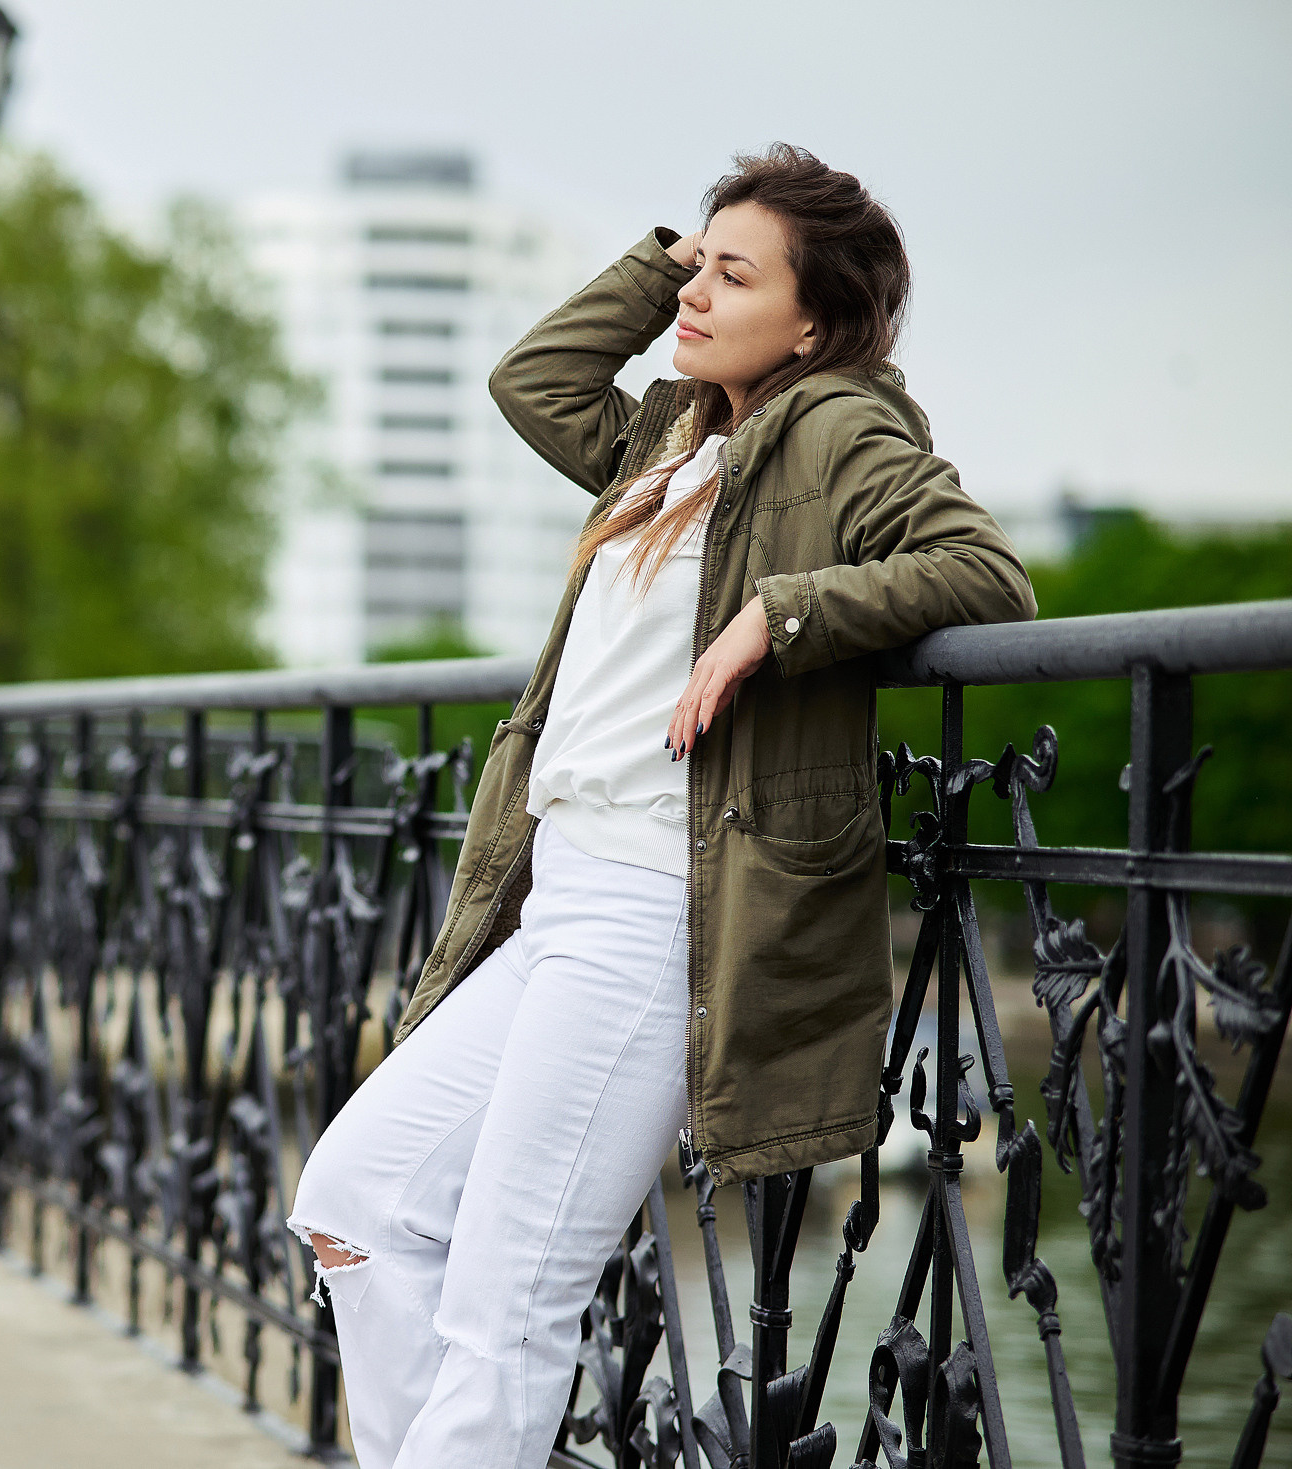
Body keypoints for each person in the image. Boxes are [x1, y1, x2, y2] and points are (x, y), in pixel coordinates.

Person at [285, 145, 1037, 1468]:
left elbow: (984, 572)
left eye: (730, 274)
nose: (693, 292)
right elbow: (533, 379)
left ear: (813, 320)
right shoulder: (668, 434)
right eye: (695, 263)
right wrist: (661, 264)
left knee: (504, 1302)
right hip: (557, 890)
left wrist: (779, 616)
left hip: (655, 908)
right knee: (356, 1197)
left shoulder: (837, 426)